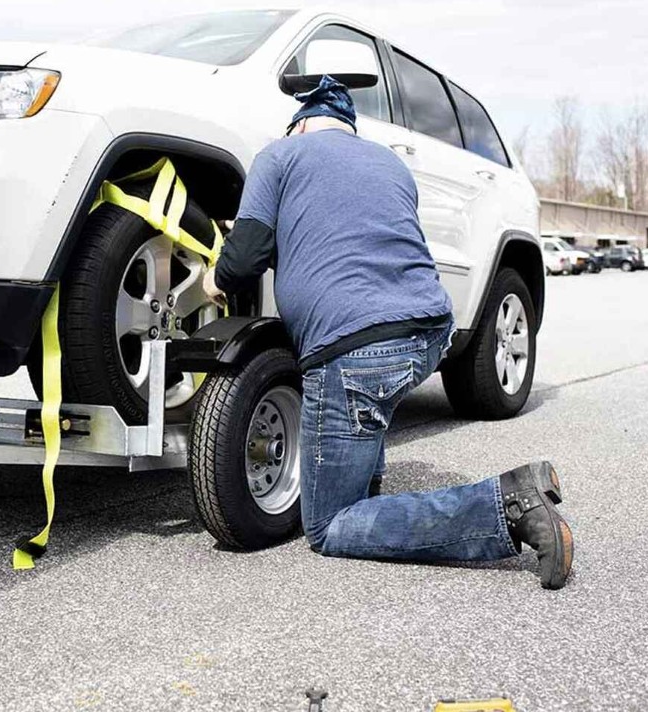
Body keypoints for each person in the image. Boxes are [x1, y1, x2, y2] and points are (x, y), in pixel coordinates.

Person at [203, 76, 572, 589]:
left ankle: (507, 507)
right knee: (368, 399)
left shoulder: (280, 156)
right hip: (429, 334)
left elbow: (243, 260)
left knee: (331, 524)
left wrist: (214, 278)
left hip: (355, 349)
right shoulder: (390, 164)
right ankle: (369, 487)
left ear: (301, 123)